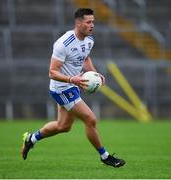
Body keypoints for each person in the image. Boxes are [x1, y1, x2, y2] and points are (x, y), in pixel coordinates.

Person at [21, 8, 126, 168]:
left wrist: (94, 73)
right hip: (61, 88)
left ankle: (31, 139)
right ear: (78, 23)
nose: (92, 25)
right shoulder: (63, 43)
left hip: (73, 85)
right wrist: (73, 79)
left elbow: (85, 57)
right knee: (90, 119)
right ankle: (105, 157)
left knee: (63, 126)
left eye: (93, 22)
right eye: (88, 22)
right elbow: (52, 72)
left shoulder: (89, 40)